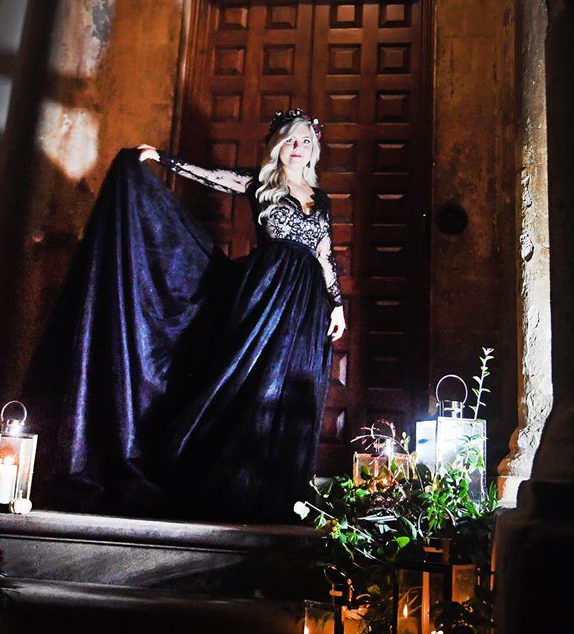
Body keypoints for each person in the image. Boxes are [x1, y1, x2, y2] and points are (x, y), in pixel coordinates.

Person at [26, 107, 345, 524]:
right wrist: (163, 159)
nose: (296, 148)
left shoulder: (320, 200)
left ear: (313, 149)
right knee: (249, 383)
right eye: (289, 140)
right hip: (265, 294)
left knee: (289, 390)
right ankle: (225, 486)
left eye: (304, 141)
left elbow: (325, 255)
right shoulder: (259, 184)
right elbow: (211, 176)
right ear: (277, 147)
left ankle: (273, 492)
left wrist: (337, 303)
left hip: (306, 304)